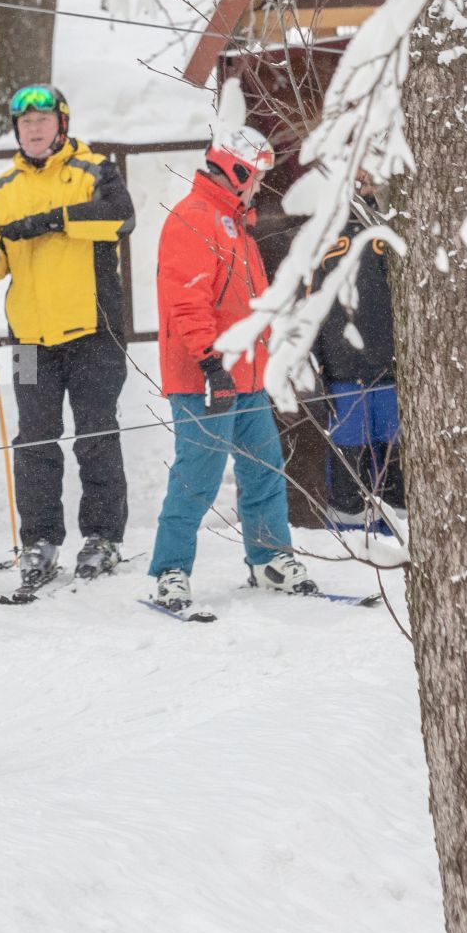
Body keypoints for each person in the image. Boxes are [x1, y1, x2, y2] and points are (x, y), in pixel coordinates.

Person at [0, 84, 134, 590]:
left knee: (96, 434)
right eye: (25, 123)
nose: (33, 129)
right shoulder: (3, 188)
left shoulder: (93, 169)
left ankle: (102, 536)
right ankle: (40, 538)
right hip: (31, 337)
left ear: (62, 123)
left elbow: (121, 218)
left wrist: (53, 221)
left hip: (92, 329)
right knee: (34, 440)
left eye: (42, 120)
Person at [148, 126, 319, 610]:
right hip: (207, 378)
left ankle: (269, 558)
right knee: (196, 478)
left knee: (263, 469)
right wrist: (210, 363)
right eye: (258, 175)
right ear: (237, 170)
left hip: (245, 376)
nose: (261, 186)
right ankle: (171, 571)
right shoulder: (194, 218)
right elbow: (188, 302)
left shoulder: (232, 221)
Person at [309, 173, 403, 532]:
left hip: (393, 373)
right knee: (350, 466)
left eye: (368, 178)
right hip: (343, 375)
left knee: (395, 465)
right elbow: (310, 307)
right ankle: (350, 541)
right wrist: (315, 369)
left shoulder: (394, 229)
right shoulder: (320, 239)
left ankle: (401, 543)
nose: (362, 186)